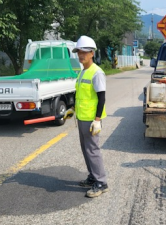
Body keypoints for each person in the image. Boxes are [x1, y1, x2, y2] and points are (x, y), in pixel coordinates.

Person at [63, 35, 108, 197]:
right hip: (82, 117)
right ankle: (92, 177)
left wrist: (97, 120)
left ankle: (101, 182)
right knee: (86, 149)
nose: (81, 55)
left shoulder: (97, 73)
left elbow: (101, 97)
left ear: (92, 53)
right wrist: (72, 110)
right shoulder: (83, 72)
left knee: (92, 150)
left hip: (91, 119)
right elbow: (81, 95)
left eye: (84, 52)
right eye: (79, 52)